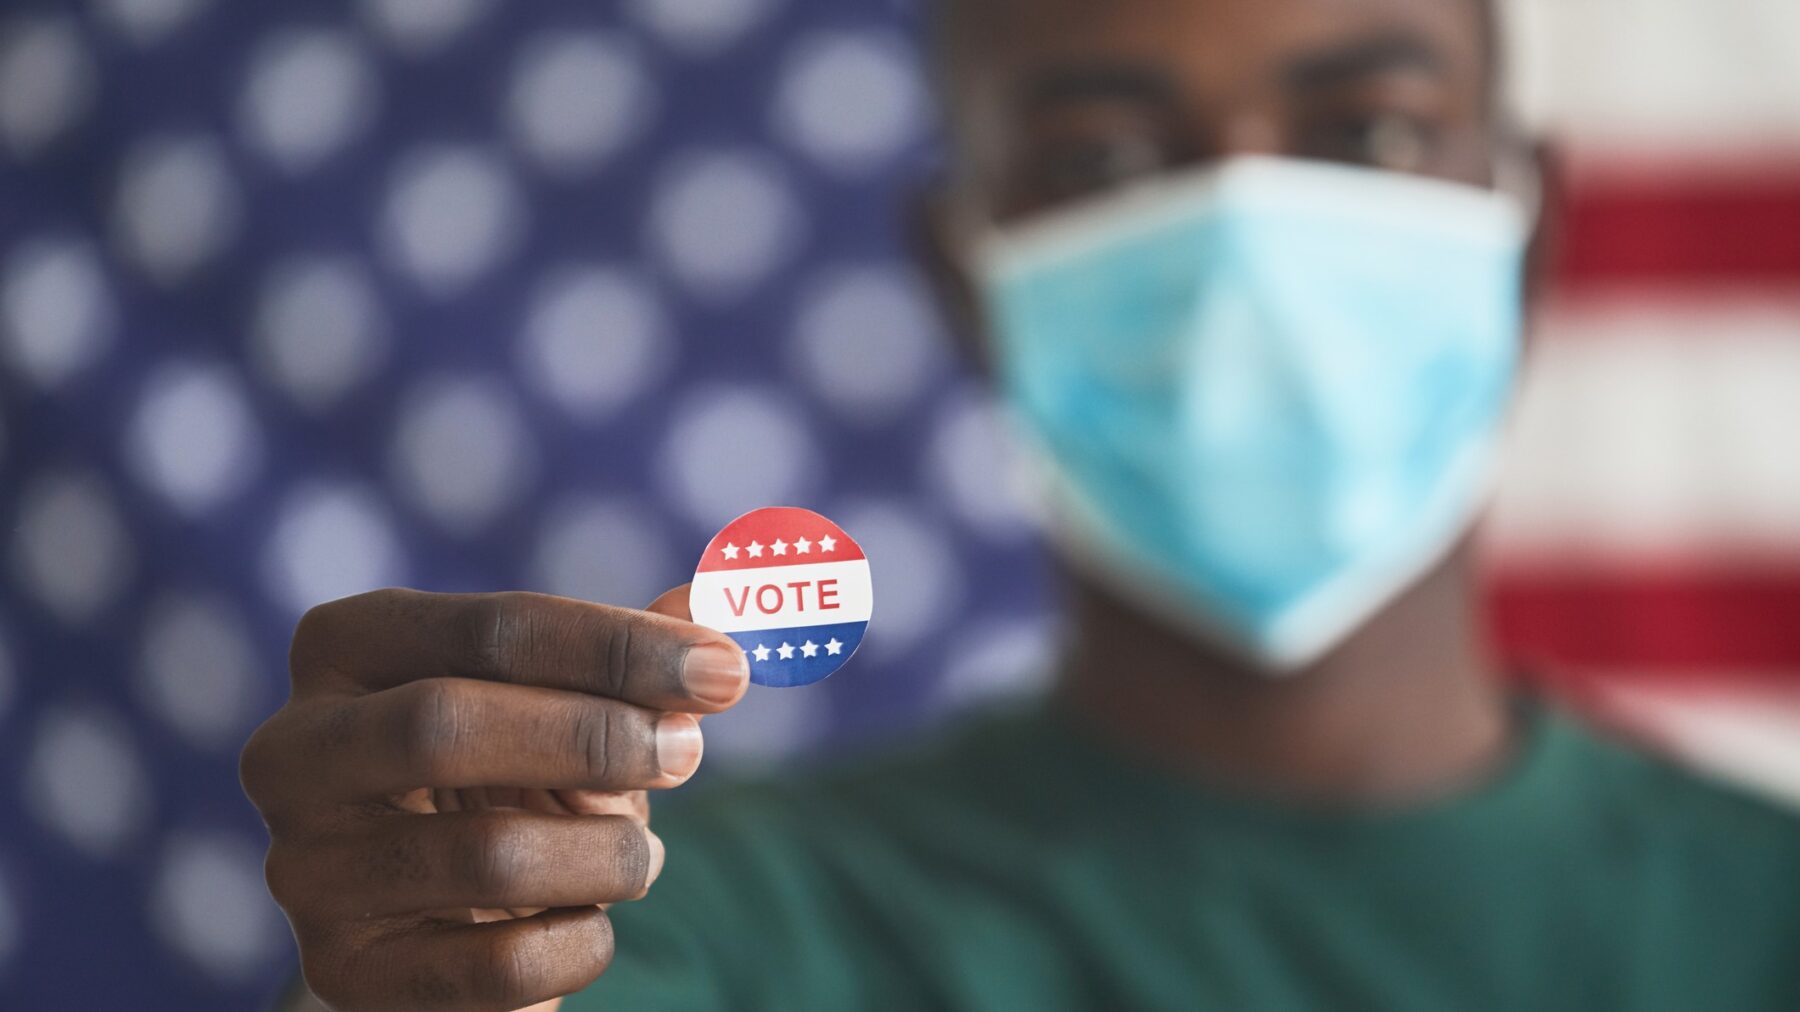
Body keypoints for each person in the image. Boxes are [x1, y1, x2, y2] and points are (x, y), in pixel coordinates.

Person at [241, 0, 1800, 1009]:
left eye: (1370, 132)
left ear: (1528, 230)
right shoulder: (687, 921)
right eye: (1100, 158)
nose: (1241, 232)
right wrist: (425, 975)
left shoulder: (1761, 923)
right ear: (963, 278)